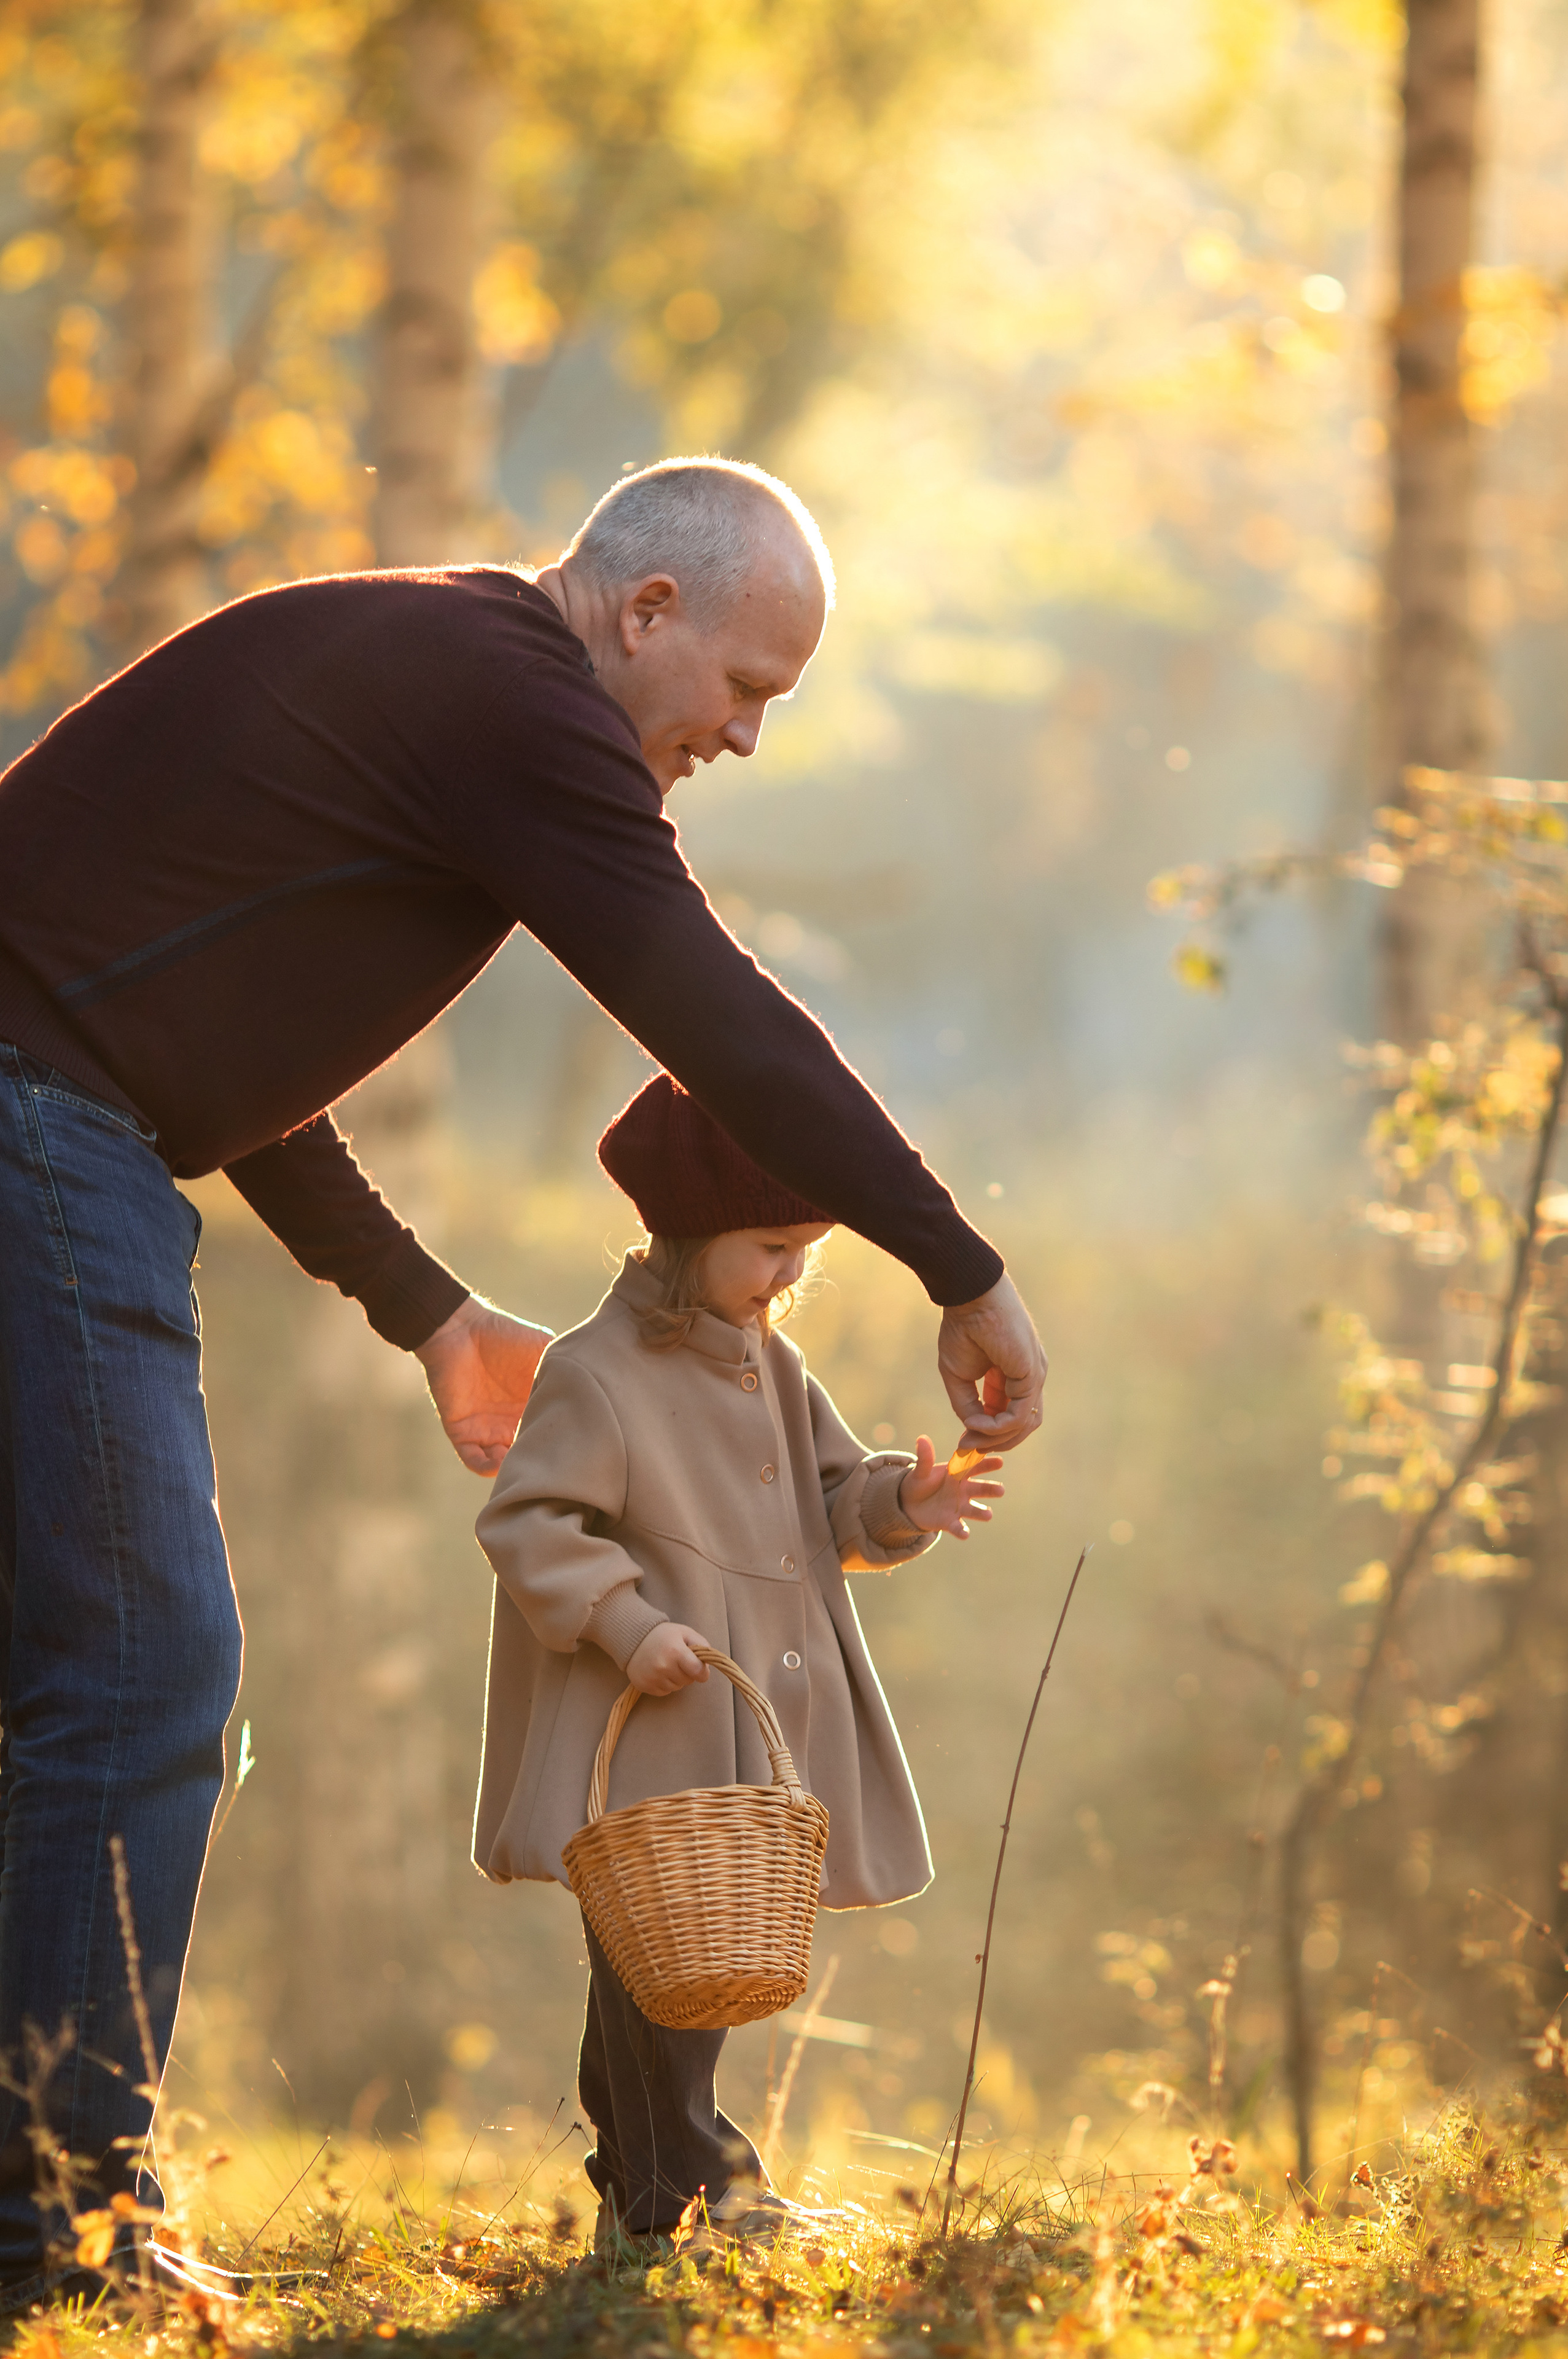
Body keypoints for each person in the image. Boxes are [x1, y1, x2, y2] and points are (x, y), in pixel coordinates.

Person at [0, 455, 1045, 2306]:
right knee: (144, 1663)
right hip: (37, 1138)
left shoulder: (437, 677)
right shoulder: (519, 704)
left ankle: (47, 2209)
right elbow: (718, 1018)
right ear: (644, 610)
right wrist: (957, 1267)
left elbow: (193, 1041)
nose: (744, 735)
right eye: (747, 685)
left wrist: (423, 1308)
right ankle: (57, 2229)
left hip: (59, 1111)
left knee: (72, 1671)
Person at [474, 1074, 1007, 2247]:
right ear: (690, 1230)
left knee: (685, 1967)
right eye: (771, 1247)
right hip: (650, 1720)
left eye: (807, 1250)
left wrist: (903, 1501)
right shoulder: (596, 1370)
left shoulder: (774, 1363)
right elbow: (530, 1523)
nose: (791, 1273)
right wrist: (629, 1624)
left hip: (750, 1717)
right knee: (658, 1969)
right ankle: (705, 2194)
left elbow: (832, 1495)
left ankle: (644, 2203)